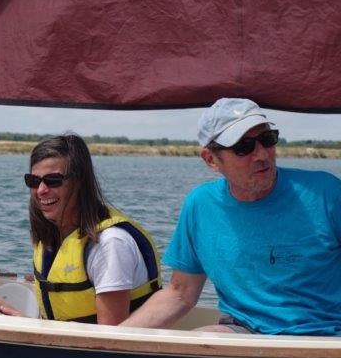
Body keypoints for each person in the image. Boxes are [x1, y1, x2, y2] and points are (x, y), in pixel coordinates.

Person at [120, 98, 341, 335]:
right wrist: (113, 340)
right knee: (189, 351)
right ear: (211, 160)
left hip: (326, 336)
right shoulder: (200, 205)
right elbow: (180, 293)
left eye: (267, 140)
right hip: (243, 332)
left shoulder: (325, 193)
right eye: (244, 147)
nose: (262, 155)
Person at [0, 134, 161, 325]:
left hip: (93, 351)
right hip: (57, 342)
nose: (41, 190)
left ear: (79, 183)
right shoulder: (54, 236)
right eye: (33, 181)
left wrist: (36, 333)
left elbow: (111, 340)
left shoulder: (110, 244)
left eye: (53, 180)